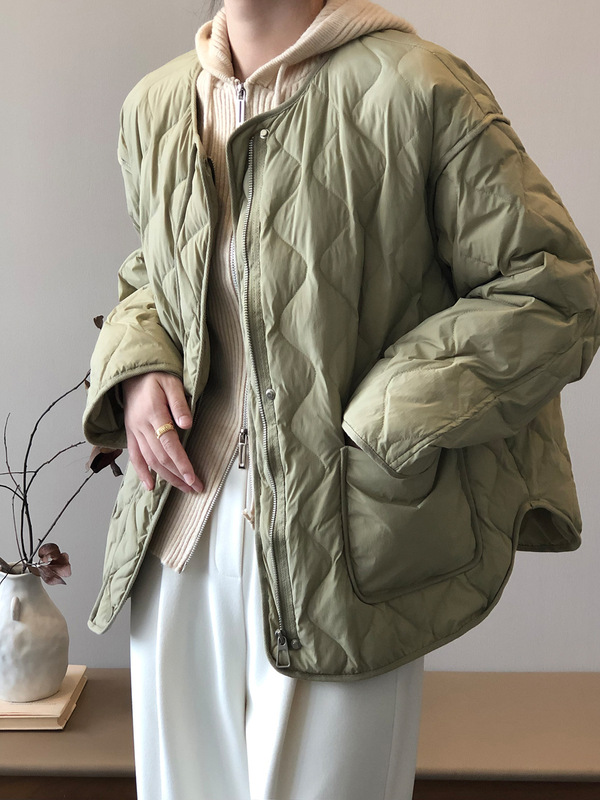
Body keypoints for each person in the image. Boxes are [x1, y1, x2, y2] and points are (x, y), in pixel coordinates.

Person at [83, 1, 600, 798]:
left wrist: (381, 418)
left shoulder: (419, 87)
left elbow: (551, 289)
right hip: (178, 536)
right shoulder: (155, 102)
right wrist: (139, 366)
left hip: (343, 537)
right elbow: (152, 272)